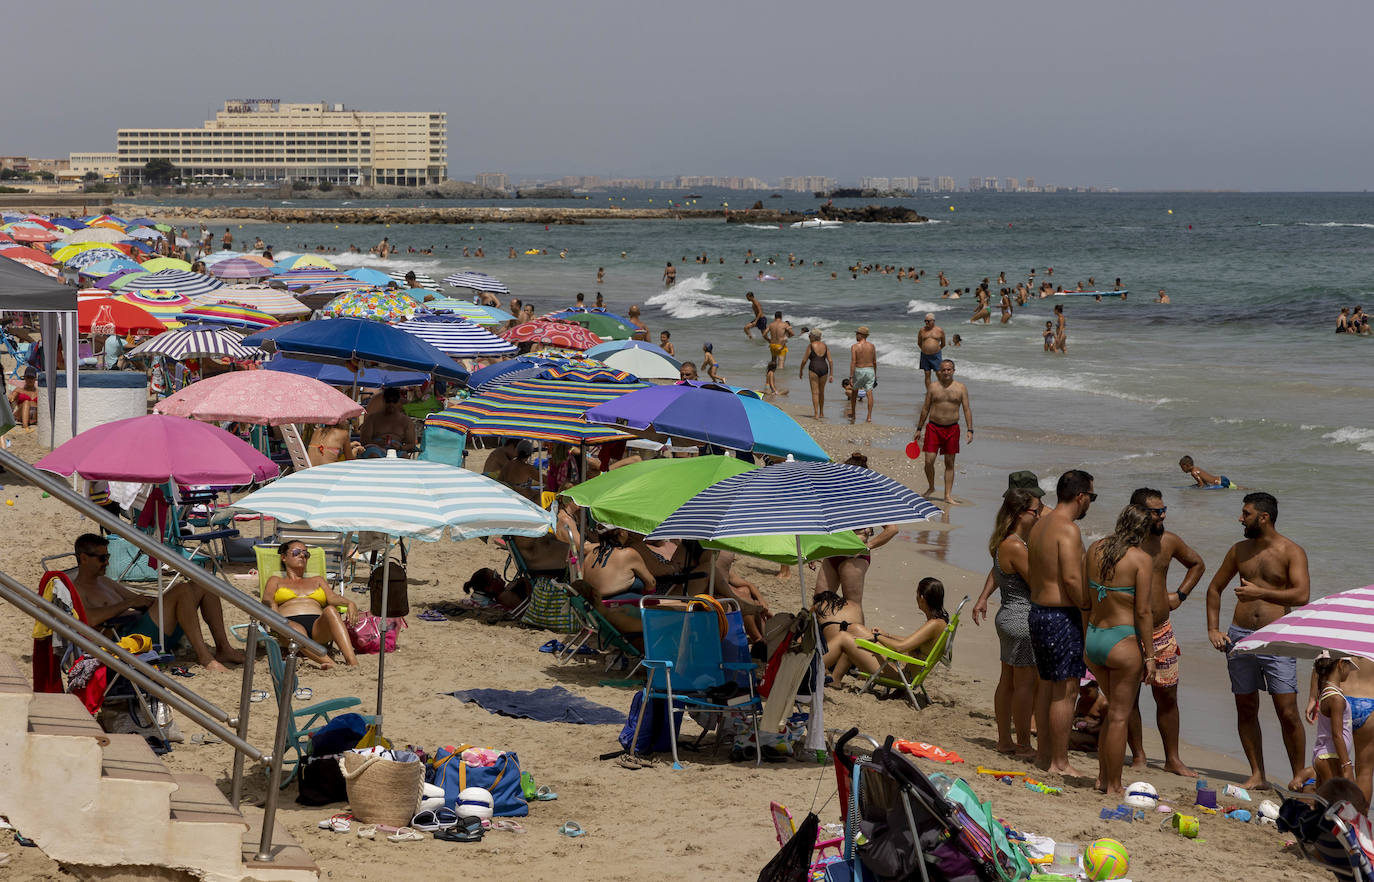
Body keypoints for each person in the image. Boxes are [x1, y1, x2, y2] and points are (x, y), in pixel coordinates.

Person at [1206, 491, 1311, 790]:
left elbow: (1302, 595)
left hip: (1278, 637)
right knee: (1245, 706)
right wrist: (1213, 629)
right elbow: (1215, 589)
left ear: (1263, 517)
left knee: (1287, 710)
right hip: (1239, 635)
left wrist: (1261, 593)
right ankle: (1257, 774)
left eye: (1246, 513)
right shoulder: (1239, 550)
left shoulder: (1292, 551)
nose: (1241, 518)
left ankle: (1298, 777)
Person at [68, 533, 243, 672]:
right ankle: (205, 658)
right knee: (181, 590)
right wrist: (127, 604)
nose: (107, 562)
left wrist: (151, 601)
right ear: (84, 558)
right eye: (102, 558)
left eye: (108, 556)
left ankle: (223, 648)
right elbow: (88, 619)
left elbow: (136, 600)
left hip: (139, 626)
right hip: (126, 641)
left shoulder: (105, 582)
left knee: (203, 583)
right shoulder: (77, 590)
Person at [1124, 488, 1203, 777]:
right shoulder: (1122, 546)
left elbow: (1197, 563)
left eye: (1163, 509)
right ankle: (1139, 756)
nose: (1163, 515)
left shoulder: (1168, 542)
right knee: (1128, 696)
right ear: (1138, 512)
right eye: (1156, 511)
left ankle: (1173, 758)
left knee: (1167, 697)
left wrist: (1179, 595)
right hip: (1128, 631)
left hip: (1161, 630)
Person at [1082, 504, 1156, 798]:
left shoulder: (1095, 548)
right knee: (1119, 716)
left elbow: (1086, 599)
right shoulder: (1141, 559)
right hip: (1122, 641)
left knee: (1113, 712)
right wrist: (1150, 656)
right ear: (1143, 530)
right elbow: (1143, 611)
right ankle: (1113, 784)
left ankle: (1102, 778)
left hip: (1094, 638)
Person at [1026, 469, 1095, 777]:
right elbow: (1070, 577)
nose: (1091, 503)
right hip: (1060, 615)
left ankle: (1044, 756)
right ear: (1080, 497)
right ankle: (1060, 762)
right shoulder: (1067, 529)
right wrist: (1088, 607)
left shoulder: (1040, 525)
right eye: (1091, 497)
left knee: (1046, 688)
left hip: (1038, 610)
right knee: (1065, 691)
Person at [972, 486, 1045, 757]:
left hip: (1009, 616)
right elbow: (1038, 584)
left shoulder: (1004, 540)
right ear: (1020, 513)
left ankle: (1005, 740)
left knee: (1008, 682)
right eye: (1035, 511)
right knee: (1025, 684)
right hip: (1022, 619)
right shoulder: (1016, 544)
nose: (1039, 515)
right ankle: (1023, 744)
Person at [826, 577, 949, 682]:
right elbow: (910, 642)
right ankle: (835, 679)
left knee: (844, 638)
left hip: (901, 673)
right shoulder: (939, 623)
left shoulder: (933, 624)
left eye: (916, 594)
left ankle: (813, 670)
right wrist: (886, 635)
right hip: (901, 665)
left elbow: (899, 647)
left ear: (922, 598)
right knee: (855, 629)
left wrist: (877, 637)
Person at [263, 540, 358, 669]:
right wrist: (276, 620)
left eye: (305, 554)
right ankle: (331, 663)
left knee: (330, 610)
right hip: (288, 625)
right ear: (284, 557)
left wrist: (350, 603)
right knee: (295, 630)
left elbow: (332, 598)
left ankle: (352, 662)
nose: (302, 556)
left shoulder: (317, 580)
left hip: (318, 627)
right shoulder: (276, 580)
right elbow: (267, 600)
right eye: (296, 552)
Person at [914, 360, 973, 503]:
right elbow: (925, 408)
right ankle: (931, 487)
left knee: (950, 463)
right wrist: (919, 428)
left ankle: (947, 495)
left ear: (954, 371)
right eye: (943, 370)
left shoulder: (961, 388)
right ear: (939, 371)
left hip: (952, 428)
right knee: (929, 461)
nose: (946, 372)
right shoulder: (933, 387)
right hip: (933, 427)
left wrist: (970, 429)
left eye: (949, 370)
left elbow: (966, 409)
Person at [1311, 654, 1355, 786]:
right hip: (1330, 757)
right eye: (1349, 667)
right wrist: (1347, 765)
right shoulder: (1336, 698)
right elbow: (1337, 734)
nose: (1350, 672)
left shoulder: (1327, 692)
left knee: (1323, 800)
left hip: (1325, 755)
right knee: (1337, 799)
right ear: (1341, 664)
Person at [582, 529, 656, 601]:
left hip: (593, 606)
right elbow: (651, 583)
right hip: (620, 607)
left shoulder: (590, 555)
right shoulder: (628, 553)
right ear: (621, 533)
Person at [358, 388, 418, 457]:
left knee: (404, 457)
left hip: (397, 449)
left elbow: (411, 445)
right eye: (388, 401)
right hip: (375, 447)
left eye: (394, 401)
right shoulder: (373, 418)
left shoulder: (406, 421)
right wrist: (378, 443)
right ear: (383, 401)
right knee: (374, 455)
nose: (391, 404)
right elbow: (364, 441)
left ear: (399, 402)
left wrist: (400, 447)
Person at [798, 329, 832, 419]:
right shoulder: (825, 346)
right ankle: (821, 413)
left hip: (814, 368)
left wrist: (801, 370)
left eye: (809, 336)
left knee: (815, 392)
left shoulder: (811, 346)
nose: (809, 338)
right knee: (822, 392)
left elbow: (804, 360)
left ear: (813, 337)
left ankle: (816, 414)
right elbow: (830, 360)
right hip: (824, 368)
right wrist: (831, 374)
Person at [849, 326, 877, 423]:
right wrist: (875, 374)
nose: (856, 335)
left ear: (861, 335)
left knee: (854, 392)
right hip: (870, 370)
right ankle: (869, 416)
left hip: (859, 370)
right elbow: (874, 361)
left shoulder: (854, 346)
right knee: (869, 393)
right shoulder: (872, 346)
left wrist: (851, 376)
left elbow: (853, 361)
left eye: (857, 334)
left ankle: (853, 414)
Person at [916, 313, 944, 387]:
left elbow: (943, 344)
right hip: (925, 355)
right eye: (925, 321)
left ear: (933, 321)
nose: (926, 323)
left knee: (939, 373)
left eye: (928, 321)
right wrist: (925, 349)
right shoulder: (922, 330)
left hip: (936, 355)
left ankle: (942, 390)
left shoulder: (939, 330)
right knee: (927, 374)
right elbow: (919, 343)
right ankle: (929, 392)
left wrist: (936, 350)